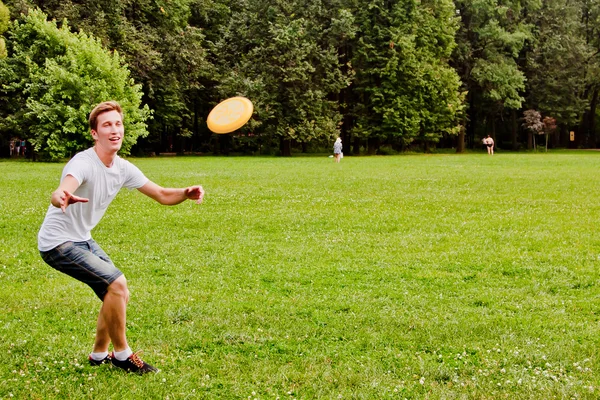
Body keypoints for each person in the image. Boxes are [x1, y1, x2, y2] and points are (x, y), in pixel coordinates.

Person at [38, 101, 205, 374]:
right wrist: (61, 197)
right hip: (57, 242)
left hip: (81, 237)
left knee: (117, 293)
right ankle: (122, 355)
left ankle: (99, 354)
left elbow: (162, 194)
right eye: (106, 125)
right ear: (95, 133)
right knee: (117, 284)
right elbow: (61, 191)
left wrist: (185, 193)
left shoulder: (123, 168)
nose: (114, 130)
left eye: (118, 124)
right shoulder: (83, 162)